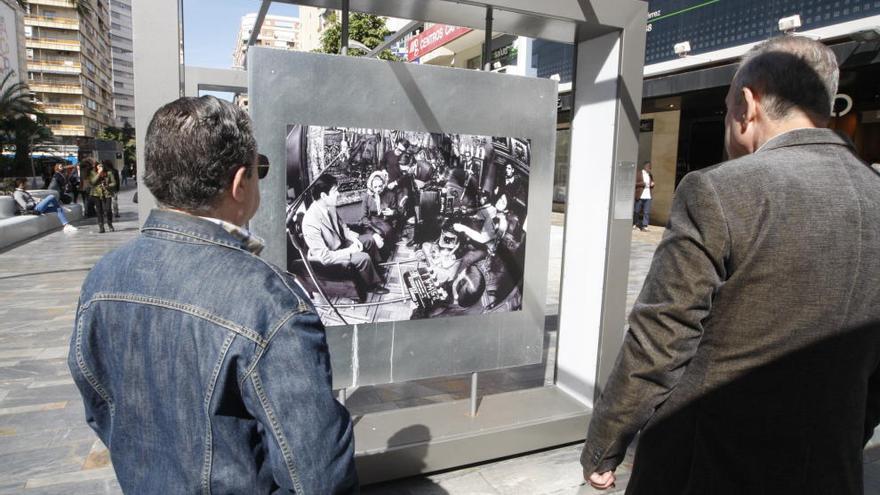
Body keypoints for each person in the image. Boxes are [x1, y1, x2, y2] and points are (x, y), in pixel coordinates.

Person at [581, 36, 880, 494]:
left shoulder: (720, 191)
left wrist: (605, 443)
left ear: (747, 104)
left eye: (724, 109)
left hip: (708, 463)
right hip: (829, 467)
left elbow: (660, 337)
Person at [68, 96, 357, 493]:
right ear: (240, 183)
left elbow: (102, 410)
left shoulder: (102, 279)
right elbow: (319, 474)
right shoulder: (271, 302)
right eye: (260, 170)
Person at [302, 173, 389, 296]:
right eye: (335, 191)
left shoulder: (330, 206)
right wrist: (350, 251)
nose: (338, 194)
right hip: (332, 255)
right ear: (323, 195)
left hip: (341, 243)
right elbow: (325, 257)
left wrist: (355, 239)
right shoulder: (310, 221)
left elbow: (343, 228)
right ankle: (372, 285)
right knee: (363, 257)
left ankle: (374, 269)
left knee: (369, 239)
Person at [12, 177, 78, 233]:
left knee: (58, 209)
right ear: (21, 184)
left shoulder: (23, 192)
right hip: (34, 209)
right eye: (26, 183)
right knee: (51, 196)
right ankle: (61, 207)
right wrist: (35, 203)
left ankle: (66, 226)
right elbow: (25, 206)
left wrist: (39, 200)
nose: (28, 184)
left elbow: (31, 199)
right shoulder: (17, 193)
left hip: (37, 207)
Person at [86, 158, 116, 233]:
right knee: (99, 211)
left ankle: (110, 224)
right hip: (96, 194)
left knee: (108, 209)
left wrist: (107, 185)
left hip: (107, 193)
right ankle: (101, 226)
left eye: (101, 166)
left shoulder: (109, 173)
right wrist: (99, 174)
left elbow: (114, 183)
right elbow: (92, 182)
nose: (100, 167)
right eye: (98, 166)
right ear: (96, 166)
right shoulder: (92, 173)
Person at [632, 161, 654, 232]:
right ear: (645, 167)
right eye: (648, 167)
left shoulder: (650, 175)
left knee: (646, 212)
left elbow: (651, 182)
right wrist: (642, 183)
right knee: (636, 211)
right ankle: (634, 223)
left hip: (648, 196)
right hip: (640, 196)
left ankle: (645, 226)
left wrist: (652, 184)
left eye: (650, 167)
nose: (649, 168)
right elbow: (634, 184)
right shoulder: (639, 174)